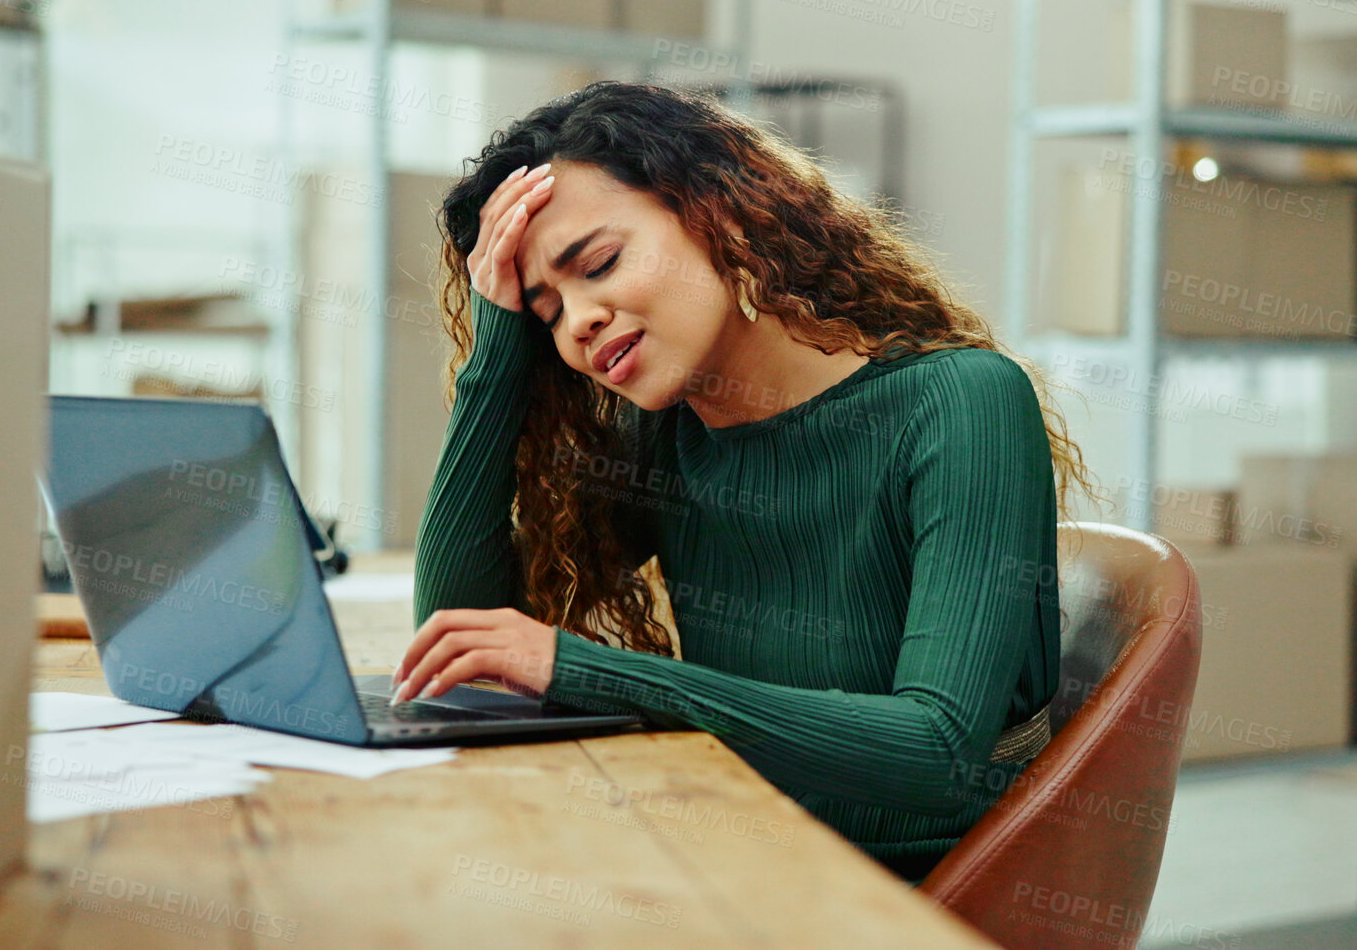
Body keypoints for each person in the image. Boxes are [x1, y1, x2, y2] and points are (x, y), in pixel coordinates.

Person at [391, 80, 1104, 885]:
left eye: (598, 264)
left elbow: (935, 751)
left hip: (901, 902)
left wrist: (575, 665)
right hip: (728, 860)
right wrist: (497, 359)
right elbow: (463, 635)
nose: (578, 321)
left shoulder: (961, 403)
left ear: (718, 214)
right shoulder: (668, 439)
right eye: (546, 311)